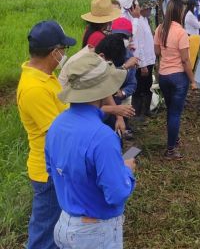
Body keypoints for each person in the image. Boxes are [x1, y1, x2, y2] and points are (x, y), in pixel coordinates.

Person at [45, 53, 135, 249]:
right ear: (102, 90)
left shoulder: (57, 124)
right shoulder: (103, 136)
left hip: (64, 224)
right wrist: (126, 170)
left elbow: (52, 171)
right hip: (94, 233)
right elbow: (117, 193)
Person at [17, 20, 76, 249]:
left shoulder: (44, 76)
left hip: (56, 166)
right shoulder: (34, 88)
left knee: (55, 227)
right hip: (49, 171)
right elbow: (58, 133)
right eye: (64, 50)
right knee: (44, 234)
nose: (64, 55)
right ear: (54, 52)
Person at [154, 0, 197, 160]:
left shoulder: (160, 29)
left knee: (171, 110)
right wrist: (192, 80)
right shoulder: (181, 32)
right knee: (175, 113)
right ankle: (171, 150)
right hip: (178, 77)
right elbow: (186, 60)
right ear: (179, 12)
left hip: (164, 76)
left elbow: (157, 51)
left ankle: (174, 138)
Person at [131, 0, 156, 122]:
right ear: (142, 9)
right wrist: (143, 65)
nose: (150, 10)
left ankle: (146, 110)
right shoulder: (138, 22)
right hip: (143, 61)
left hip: (149, 59)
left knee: (148, 86)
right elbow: (138, 45)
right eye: (148, 7)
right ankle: (137, 113)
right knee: (139, 87)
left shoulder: (145, 20)